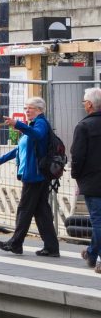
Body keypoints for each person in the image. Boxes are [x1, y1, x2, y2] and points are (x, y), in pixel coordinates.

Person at [0, 97, 60, 257]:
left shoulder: (40, 123)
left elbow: (37, 135)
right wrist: (1, 160)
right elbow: (19, 149)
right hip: (34, 174)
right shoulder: (32, 125)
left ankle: (15, 243)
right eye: (26, 108)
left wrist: (18, 124)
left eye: (30, 108)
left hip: (35, 175)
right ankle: (51, 247)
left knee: (24, 209)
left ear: (39, 110)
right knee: (41, 211)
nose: (27, 111)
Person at [71, 88, 101, 272]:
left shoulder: (83, 127)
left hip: (92, 182)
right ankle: (91, 253)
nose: (83, 104)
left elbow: (78, 156)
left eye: (84, 102)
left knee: (98, 220)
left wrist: (75, 175)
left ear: (89, 105)